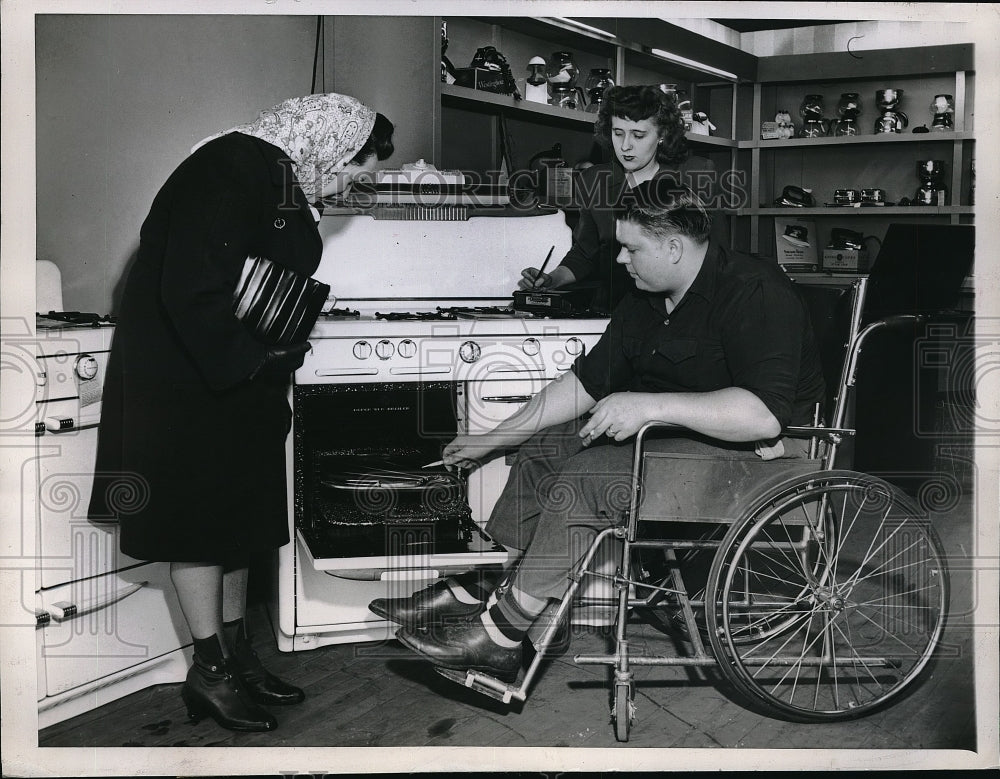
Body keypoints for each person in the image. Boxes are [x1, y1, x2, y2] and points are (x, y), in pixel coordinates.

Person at [375, 184, 824, 683]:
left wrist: (648, 404)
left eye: (632, 249)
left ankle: (502, 635)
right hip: (684, 441)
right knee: (546, 445)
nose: (620, 260)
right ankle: (490, 584)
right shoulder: (648, 296)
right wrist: (495, 436)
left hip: (766, 458)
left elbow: (763, 416)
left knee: (593, 474)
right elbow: (587, 383)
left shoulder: (755, 290)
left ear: (674, 248)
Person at [88, 93, 394, 731]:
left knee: (242, 516)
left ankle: (236, 652)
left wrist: (270, 349)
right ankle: (210, 672)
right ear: (332, 142)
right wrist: (257, 356)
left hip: (237, 372)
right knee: (199, 521)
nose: (344, 187)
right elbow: (191, 284)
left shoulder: (278, 175)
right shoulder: (232, 163)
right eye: (350, 171)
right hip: (189, 377)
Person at [518, 84, 725, 314]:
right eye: (618, 133)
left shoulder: (695, 177)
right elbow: (586, 252)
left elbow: (716, 259)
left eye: (638, 135)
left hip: (678, 312)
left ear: (662, 135)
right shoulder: (594, 180)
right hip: (612, 310)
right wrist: (551, 279)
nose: (625, 146)